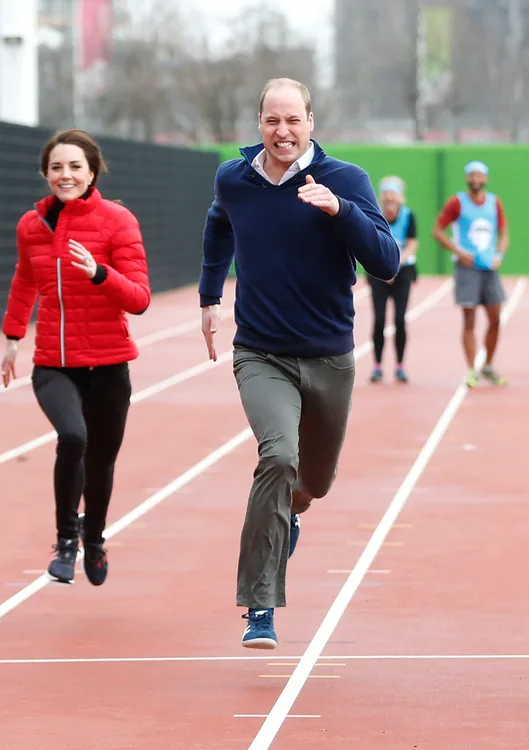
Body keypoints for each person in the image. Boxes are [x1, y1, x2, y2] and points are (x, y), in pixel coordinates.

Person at [198, 78, 399, 649]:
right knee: (278, 457)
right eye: (271, 121)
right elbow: (218, 226)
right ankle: (260, 605)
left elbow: (385, 262)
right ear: (258, 123)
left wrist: (341, 212)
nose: (281, 131)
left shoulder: (346, 180)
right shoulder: (235, 180)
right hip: (260, 351)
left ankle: (291, 516)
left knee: (313, 482)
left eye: (292, 120)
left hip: (330, 357)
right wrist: (210, 298)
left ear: (311, 121)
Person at [1, 129, 151, 586]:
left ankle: (96, 537)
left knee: (102, 461)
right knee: (73, 436)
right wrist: (11, 337)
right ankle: (67, 539)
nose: (64, 175)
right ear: (46, 173)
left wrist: (100, 273)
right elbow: (26, 280)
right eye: (56, 167)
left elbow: (140, 298)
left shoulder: (117, 221)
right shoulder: (32, 226)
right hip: (53, 364)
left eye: (74, 167)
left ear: (91, 172)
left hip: (108, 365)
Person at [432, 161, 509, 388]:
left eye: (480, 175)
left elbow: (504, 232)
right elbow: (437, 230)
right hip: (467, 268)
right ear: (467, 178)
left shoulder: (494, 203)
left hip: (490, 268)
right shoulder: (457, 202)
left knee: (496, 318)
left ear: (485, 178)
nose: (476, 179)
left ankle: (488, 366)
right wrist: (458, 251)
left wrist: (500, 255)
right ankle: (471, 370)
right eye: (472, 175)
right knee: (469, 320)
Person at [368, 176, 418, 384]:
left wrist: (396, 265)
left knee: (399, 320)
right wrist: (383, 267)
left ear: (399, 197)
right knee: (379, 320)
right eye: (386, 193)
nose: (389, 198)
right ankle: (377, 366)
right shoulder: (374, 215)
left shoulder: (408, 216)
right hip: (379, 273)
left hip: (402, 271)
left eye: (393, 193)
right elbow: (370, 242)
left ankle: (400, 365)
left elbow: (412, 244)